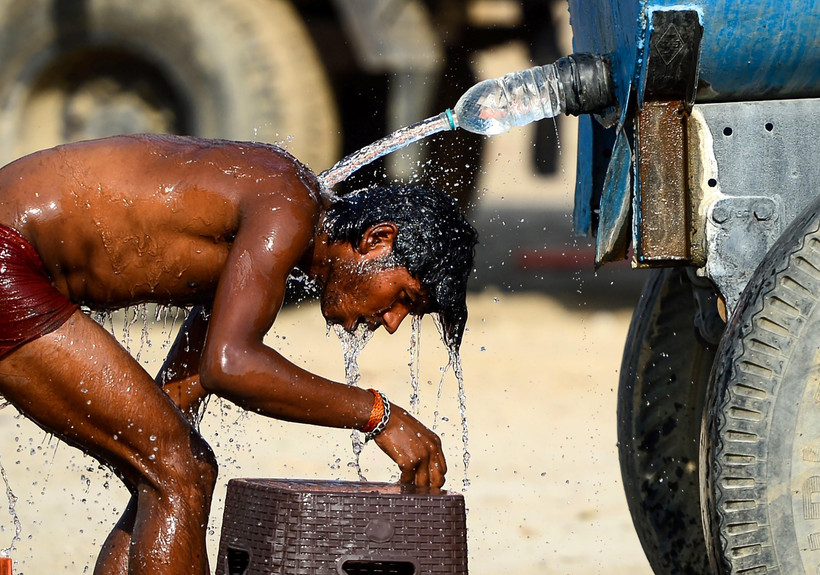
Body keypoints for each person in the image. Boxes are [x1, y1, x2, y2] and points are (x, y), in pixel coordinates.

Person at [0, 134, 477, 575]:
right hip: (9, 254)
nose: (392, 322)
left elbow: (178, 397)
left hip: (17, 262)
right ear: (377, 239)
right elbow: (230, 366)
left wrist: (164, 447)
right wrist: (379, 415)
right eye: (404, 298)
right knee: (180, 471)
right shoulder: (288, 203)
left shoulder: (265, 239)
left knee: (161, 466)